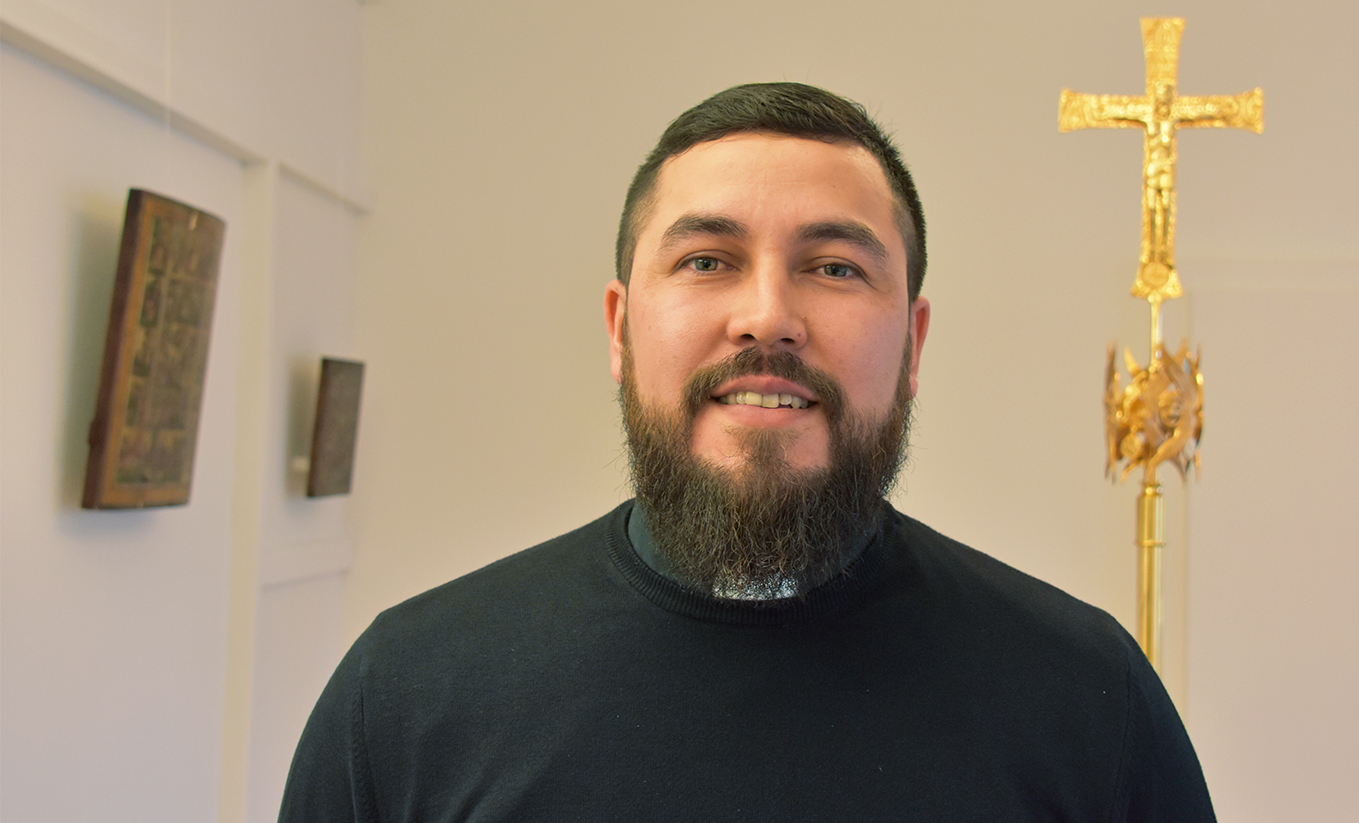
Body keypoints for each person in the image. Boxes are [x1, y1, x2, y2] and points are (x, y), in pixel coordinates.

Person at [278, 82, 1214, 822]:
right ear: (620, 327)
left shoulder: (1088, 700)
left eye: (836, 267)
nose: (768, 314)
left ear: (914, 343)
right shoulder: (404, 699)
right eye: (706, 260)